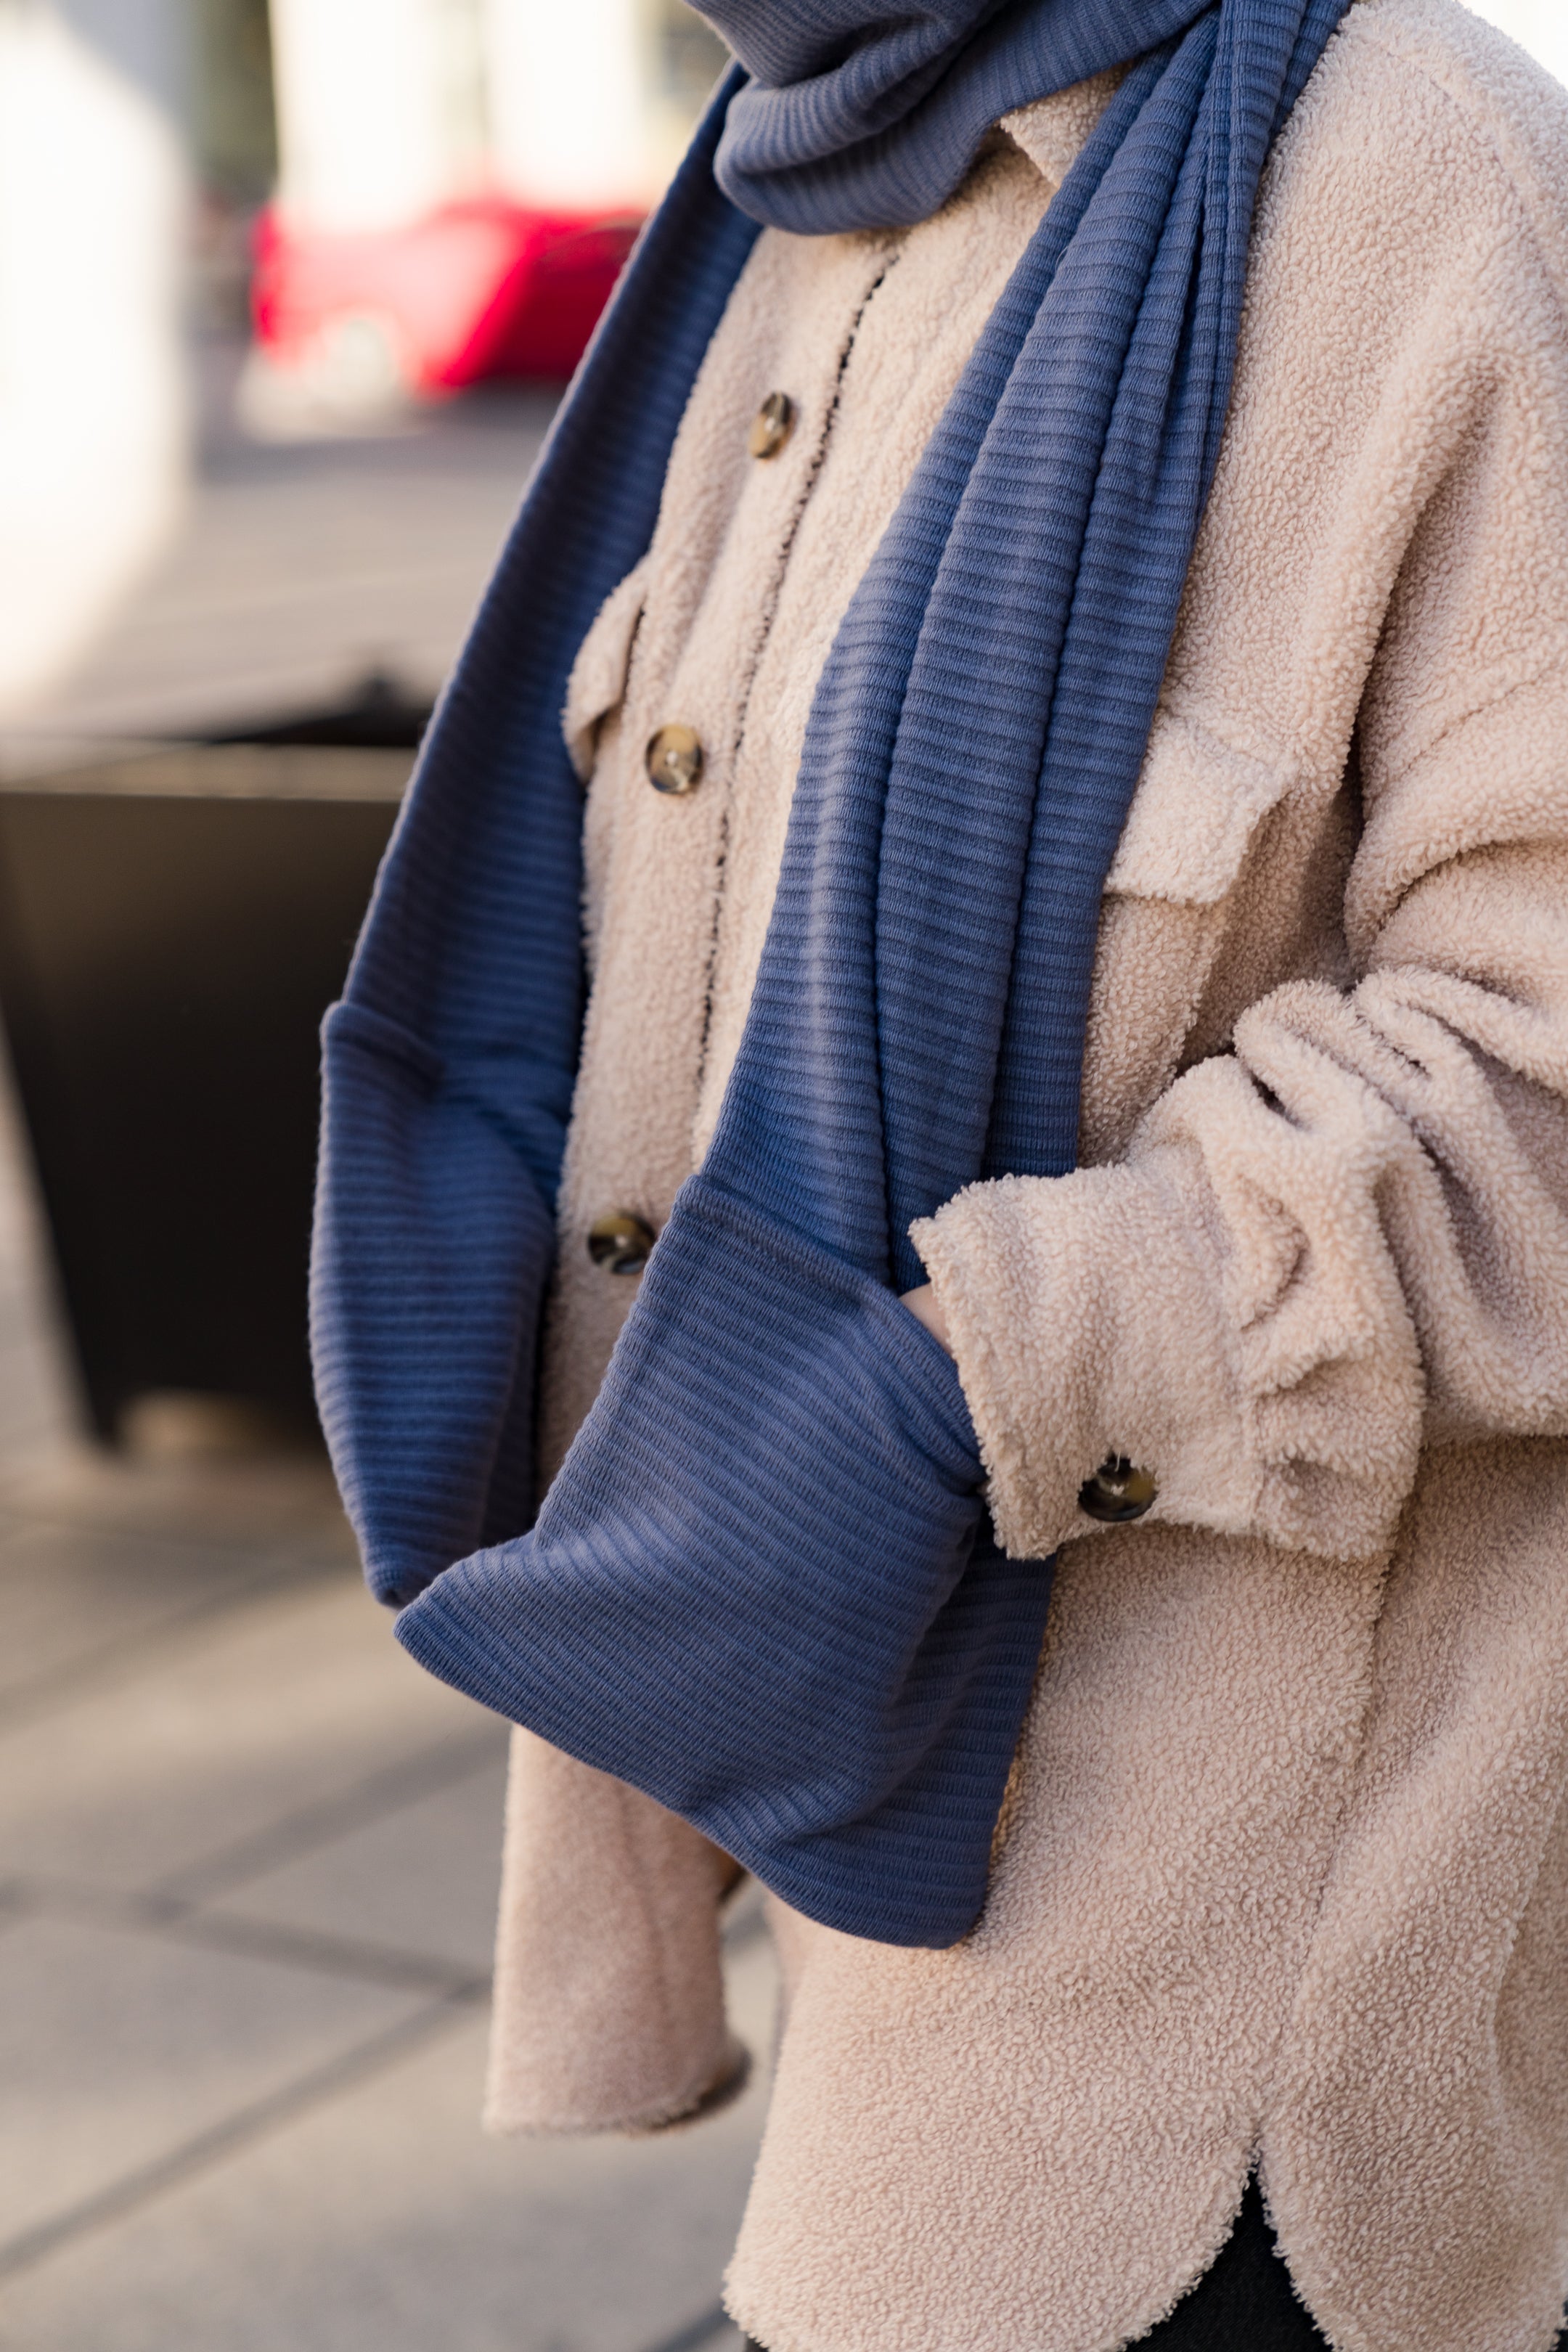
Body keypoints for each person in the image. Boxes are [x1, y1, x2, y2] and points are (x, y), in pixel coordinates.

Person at [311, 0, 1568, 2343]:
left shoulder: (1419, 175)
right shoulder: (788, 181)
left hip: (1214, 1965)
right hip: (828, 1776)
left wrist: (963, 1377)